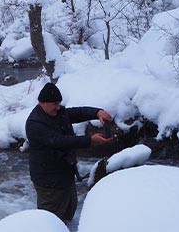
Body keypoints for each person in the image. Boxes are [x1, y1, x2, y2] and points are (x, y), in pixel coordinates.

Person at [25, 82, 113, 222]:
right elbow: (59, 141)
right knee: (50, 221)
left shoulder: (57, 112)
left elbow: (76, 113)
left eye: (59, 103)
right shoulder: (34, 124)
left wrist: (97, 112)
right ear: (43, 103)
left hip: (65, 174)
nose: (58, 107)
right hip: (48, 181)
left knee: (68, 214)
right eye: (55, 104)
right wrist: (90, 140)